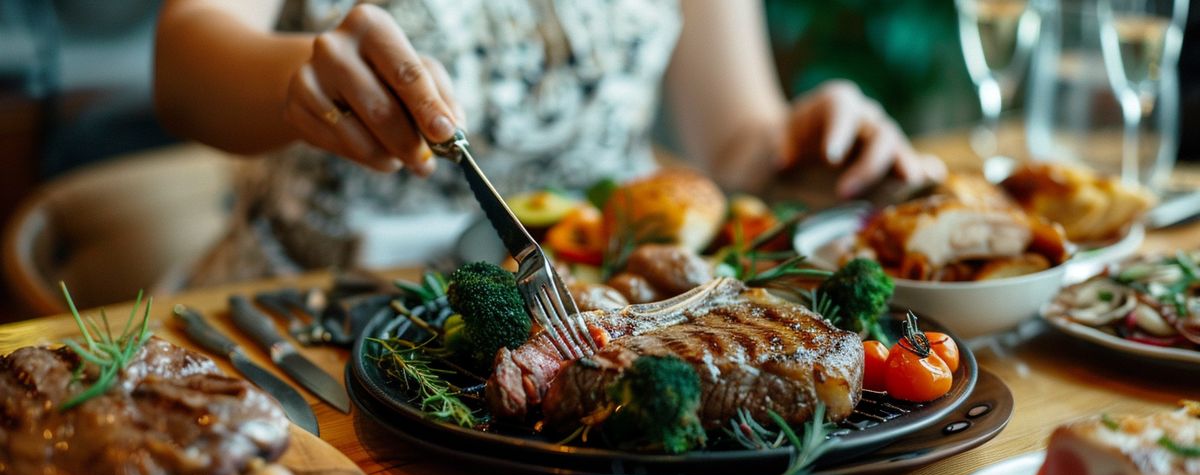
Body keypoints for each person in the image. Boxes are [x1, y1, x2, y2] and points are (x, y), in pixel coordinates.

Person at [155, 0, 945, 284]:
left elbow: (734, 142)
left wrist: (804, 148)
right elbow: (180, 64)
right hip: (314, 309)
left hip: (592, 309)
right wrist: (302, 72)